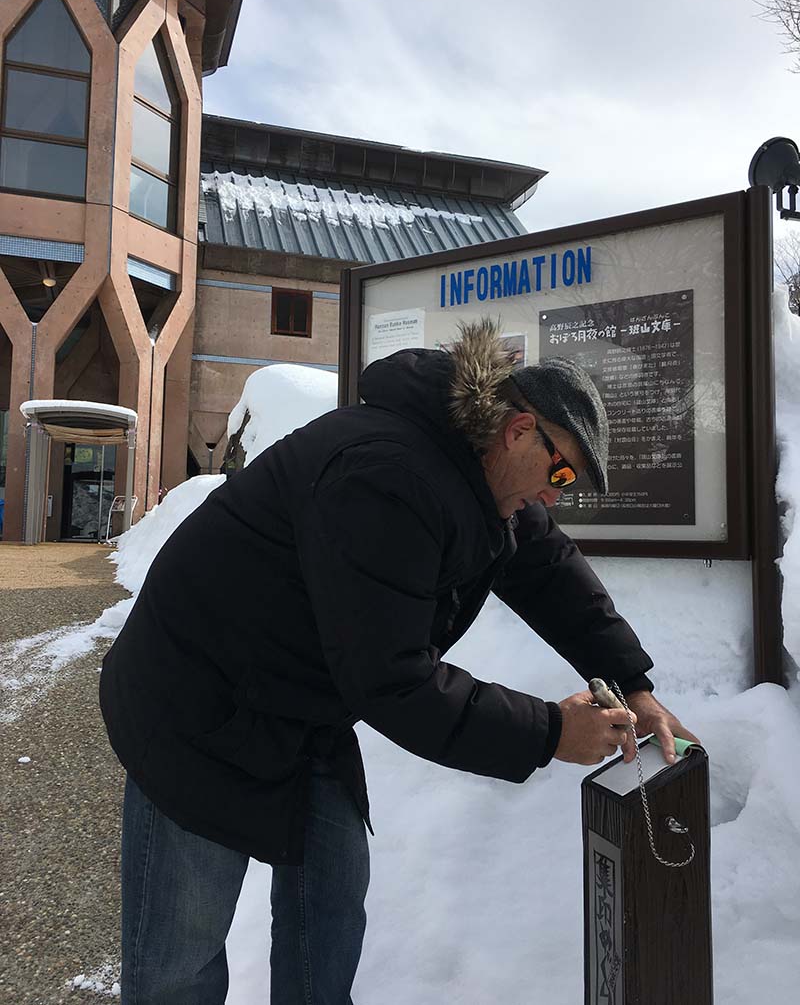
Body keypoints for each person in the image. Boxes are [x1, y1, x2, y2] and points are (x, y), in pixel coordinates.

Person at [100, 318, 698, 1004]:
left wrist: (635, 683)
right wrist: (550, 732)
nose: (558, 493)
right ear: (518, 428)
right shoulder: (388, 475)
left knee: (329, 910)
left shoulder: (480, 474)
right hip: (195, 704)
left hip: (298, 704)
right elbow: (391, 678)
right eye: (561, 468)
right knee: (180, 965)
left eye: (574, 483)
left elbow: (548, 568)